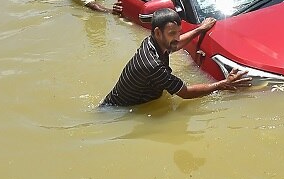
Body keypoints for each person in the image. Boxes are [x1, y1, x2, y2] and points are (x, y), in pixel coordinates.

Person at [101, 8, 249, 107]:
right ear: (158, 32)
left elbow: (175, 45)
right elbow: (185, 93)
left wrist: (200, 29)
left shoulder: (152, 42)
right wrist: (223, 84)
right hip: (120, 111)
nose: (177, 37)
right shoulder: (153, 65)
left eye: (178, 32)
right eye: (172, 33)